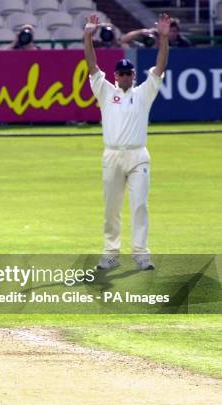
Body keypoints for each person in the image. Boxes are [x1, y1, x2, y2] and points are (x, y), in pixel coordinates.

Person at [83, 13, 170, 271]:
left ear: (133, 75)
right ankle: (111, 252)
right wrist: (88, 36)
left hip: (138, 155)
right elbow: (91, 65)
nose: (123, 77)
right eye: (120, 74)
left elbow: (160, 67)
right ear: (115, 75)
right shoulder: (105, 91)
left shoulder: (144, 93)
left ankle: (141, 254)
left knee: (140, 205)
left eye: (127, 73)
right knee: (112, 208)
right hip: (112, 155)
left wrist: (163, 38)